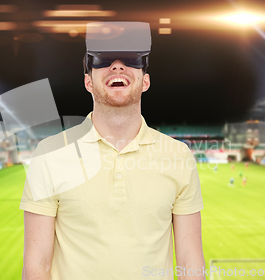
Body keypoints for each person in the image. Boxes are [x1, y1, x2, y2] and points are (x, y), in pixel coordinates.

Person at [20, 22, 204, 280]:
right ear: (88, 82)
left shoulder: (179, 155)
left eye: (132, 60)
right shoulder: (49, 153)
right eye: (102, 61)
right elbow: (37, 266)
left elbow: (190, 263)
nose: (117, 66)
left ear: (145, 81)